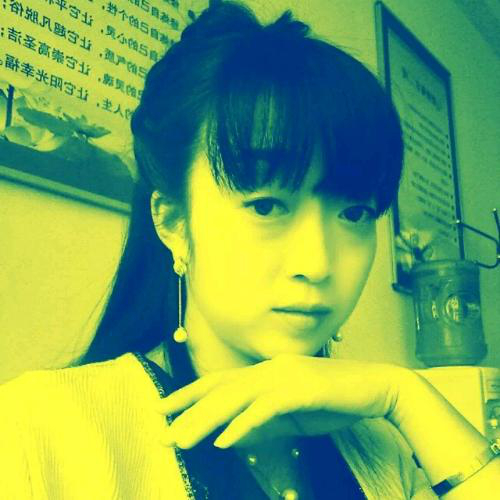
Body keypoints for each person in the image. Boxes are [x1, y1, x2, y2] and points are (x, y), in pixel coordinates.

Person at [1, 2, 498, 499]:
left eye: (354, 213)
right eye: (265, 206)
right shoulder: (38, 432)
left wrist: (405, 396)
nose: (317, 264)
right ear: (173, 223)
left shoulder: (381, 447)